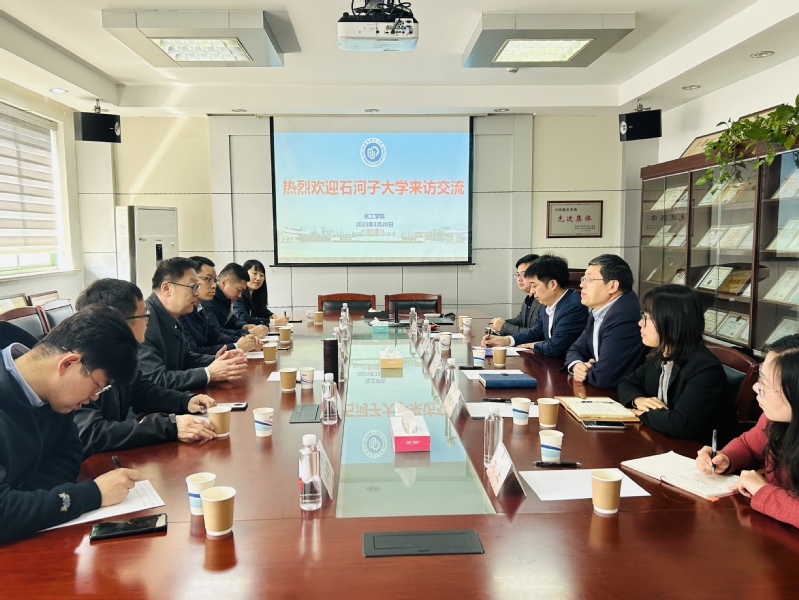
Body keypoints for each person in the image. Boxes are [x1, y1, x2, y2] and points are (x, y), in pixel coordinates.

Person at [0, 306, 141, 543]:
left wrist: (27, 502)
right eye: (97, 386)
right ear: (68, 364)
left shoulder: (55, 396)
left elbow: (68, 455)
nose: (93, 398)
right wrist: (91, 495)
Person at [74, 278, 217, 458]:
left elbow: (142, 391)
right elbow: (91, 433)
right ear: (118, 321)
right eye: (143, 315)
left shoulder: (119, 353)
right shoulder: (80, 366)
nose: (148, 321)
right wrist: (170, 426)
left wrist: (185, 401)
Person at [697, 334, 799, 528]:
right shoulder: (773, 419)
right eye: (760, 378)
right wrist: (726, 458)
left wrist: (762, 490)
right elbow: (749, 445)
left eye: (765, 385)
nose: (755, 387)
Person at [618, 284, 738, 446]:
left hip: (697, 452)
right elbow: (626, 383)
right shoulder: (660, 355)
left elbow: (680, 424)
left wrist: (641, 413)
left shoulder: (704, 368)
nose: (640, 323)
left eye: (647, 317)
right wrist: (638, 400)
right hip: (661, 440)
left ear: (671, 321)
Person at [138, 257, 248, 392]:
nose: (196, 293)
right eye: (193, 287)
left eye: (197, 287)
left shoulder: (171, 315)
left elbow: (185, 358)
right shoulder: (143, 322)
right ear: (167, 288)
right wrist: (208, 373)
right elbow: (156, 380)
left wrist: (215, 359)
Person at [564, 254, 647, 388]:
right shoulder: (599, 311)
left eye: (588, 279)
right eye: (583, 279)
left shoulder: (624, 316)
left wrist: (589, 367)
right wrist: (577, 365)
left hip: (624, 395)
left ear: (612, 286)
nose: (582, 284)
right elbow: (576, 349)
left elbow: (605, 377)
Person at [482, 254, 588, 359]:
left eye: (534, 286)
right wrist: (507, 340)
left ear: (552, 284)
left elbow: (555, 346)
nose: (532, 291)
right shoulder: (548, 303)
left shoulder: (573, 307)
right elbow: (535, 332)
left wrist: (534, 345)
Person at [180, 256, 261, 355]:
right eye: (208, 279)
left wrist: (245, 340)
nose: (214, 285)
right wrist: (236, 346)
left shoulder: (199, 308)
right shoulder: (183, 311)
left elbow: (215, 336)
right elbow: (193, 353)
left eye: (214, 280)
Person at [203, 262, 269, 340]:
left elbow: (230, 320)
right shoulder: (207, 301)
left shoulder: (225, 298)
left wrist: (244, 326)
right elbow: (216, 333)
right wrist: (248, 333)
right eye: (239, 290)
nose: (240, 295)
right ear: (224, 283)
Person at [489, 253, 541, 336]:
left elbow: (537, 334)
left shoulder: (543, 300)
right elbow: (520, 321)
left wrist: (504, 326)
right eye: (518, 275)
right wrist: (499, 323)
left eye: (524, 274)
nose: (519, 279)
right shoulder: (528, 299)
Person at [234, 259, 289, 327]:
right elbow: (243, 319)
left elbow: (261, 311)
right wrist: (274, 322)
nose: (258, 278)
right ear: (244, 274)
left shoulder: (255, 293)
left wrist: (272, 316)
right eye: (255, 273)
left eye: (262, 275)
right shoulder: (238, 294)